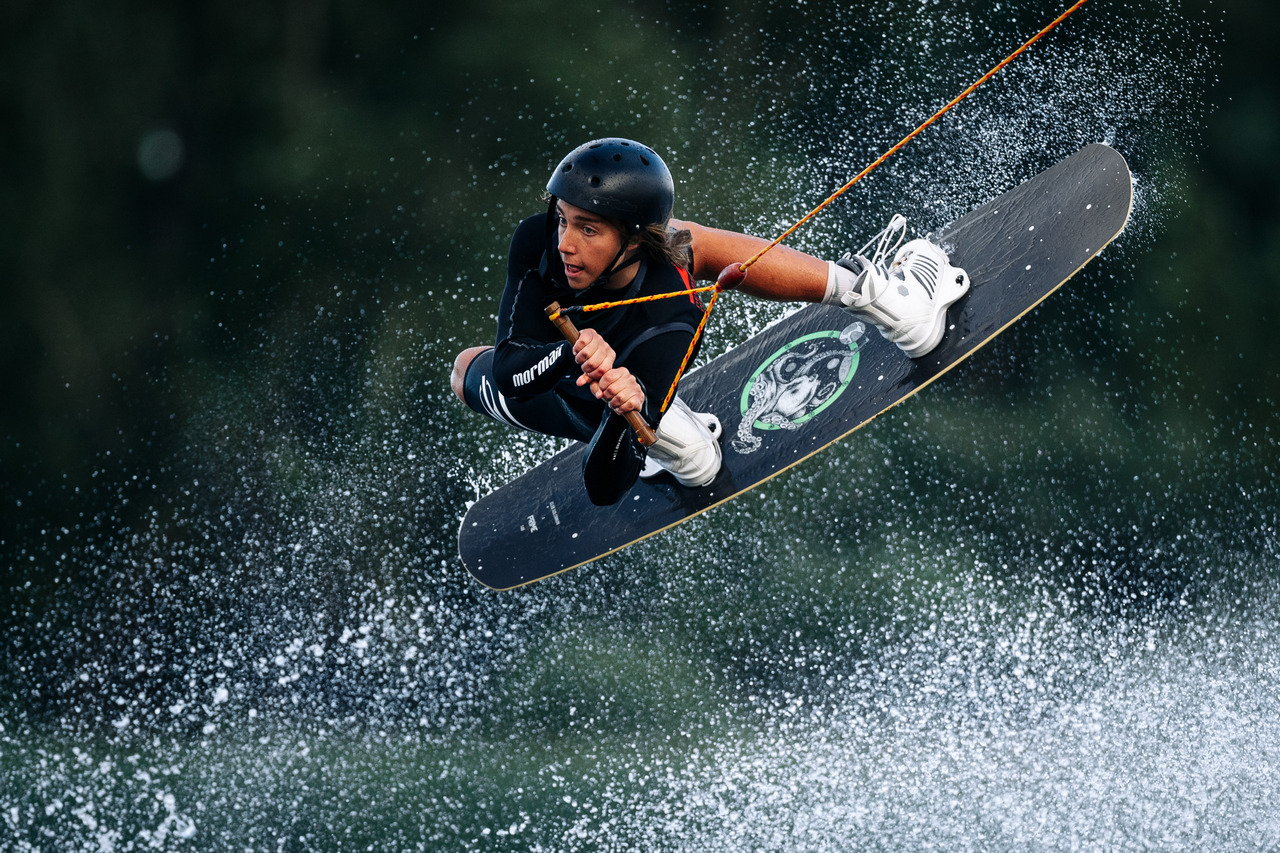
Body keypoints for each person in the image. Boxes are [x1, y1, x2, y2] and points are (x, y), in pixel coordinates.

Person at [451, 137, 969, 505]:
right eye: (563, 219)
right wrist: (570, 353)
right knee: (467, 370)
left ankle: (676, 443)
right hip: (564, 378)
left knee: (687, 248)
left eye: (588, 229)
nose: (565, 241)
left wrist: (630, 409)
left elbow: (605, 488)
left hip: (626, 382)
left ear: (633, 239)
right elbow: (512, 370)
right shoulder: (539, 243)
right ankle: (874, 297)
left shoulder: (669, 314)